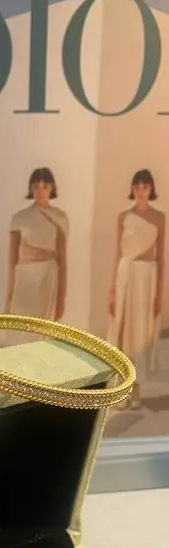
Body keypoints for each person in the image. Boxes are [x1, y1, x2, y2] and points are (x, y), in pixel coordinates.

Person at [107, 169, 165, 410]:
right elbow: (118, 254)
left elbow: (161, 258)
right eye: (137, 186)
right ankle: (122, 389)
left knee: (140, 333)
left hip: (146, 277)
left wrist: (159, 294)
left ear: (151, 189)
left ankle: (137, 389)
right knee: (123, 332)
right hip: (126, 276)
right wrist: (112, 289)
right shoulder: (124, 217)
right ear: (132, 190)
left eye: (145, 186)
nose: (141, 190)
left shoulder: (159, 218)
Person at [5, 167, 69, 320]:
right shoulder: (20, 218)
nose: (40, 191)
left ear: (52, 188)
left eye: (45, 186)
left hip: (48, 278)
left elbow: (63, 262)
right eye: (36, 187)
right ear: (31, 188)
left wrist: (61, 299)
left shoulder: (60, 218)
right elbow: (12, 260)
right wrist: (9, 295)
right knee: (21, 326)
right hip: (25, 279)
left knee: (41, 327)